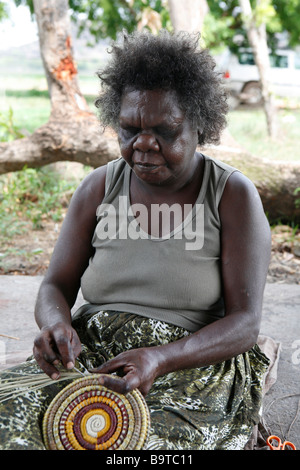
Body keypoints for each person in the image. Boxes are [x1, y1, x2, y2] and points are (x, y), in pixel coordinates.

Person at [0, 30, 271, 450]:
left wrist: (160, 358)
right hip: (93, 357)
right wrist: (56, 325)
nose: (143, 143)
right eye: (129, 129)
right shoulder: (98, 188)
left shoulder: (232, 196)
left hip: (190, 366)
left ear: (199, 122)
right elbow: (55, 286)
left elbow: (244, 324)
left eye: (164, 130)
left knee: (140, 446)